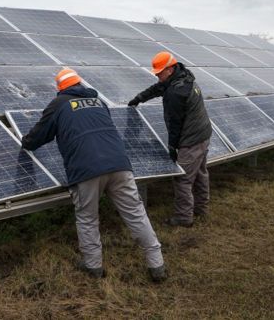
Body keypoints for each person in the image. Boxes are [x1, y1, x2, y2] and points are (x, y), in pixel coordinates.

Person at [22, 68, 167, 282]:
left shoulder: (59, 104)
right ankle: (157, 265)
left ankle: (93, 267)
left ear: (60, 88)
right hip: (119, 164)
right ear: (80, 84)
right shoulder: (99, 102)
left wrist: (25, 142)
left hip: (86, 170)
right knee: (136, 214)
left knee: (88, 218)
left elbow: (38, 136)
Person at [128, 51, 212, 228]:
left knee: (183, 178)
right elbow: (159, 88)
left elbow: (175, 124)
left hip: (192, 139)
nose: (157, 75)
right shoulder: (184, 77)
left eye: (160, 72)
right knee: (200, 173)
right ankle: (201, 208)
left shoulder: (176, 92)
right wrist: (139, 98)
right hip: (203, 134)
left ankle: (184, 217)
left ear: (171, 69)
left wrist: (173, 147)